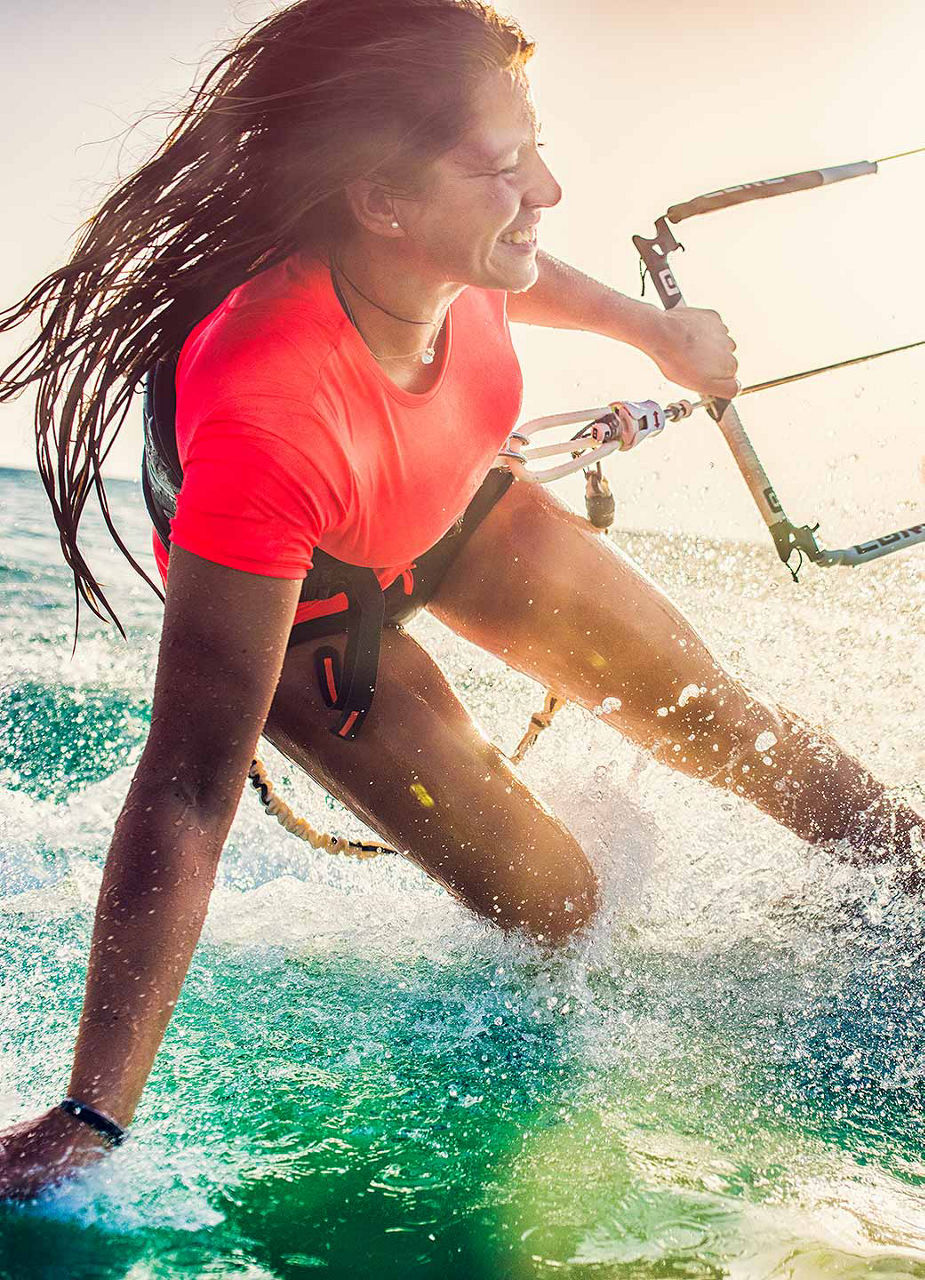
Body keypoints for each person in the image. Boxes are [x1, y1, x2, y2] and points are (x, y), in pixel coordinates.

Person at [0, 0, 920, 1201]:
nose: (545, 185)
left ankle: (913, 880)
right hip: (317, 615)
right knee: (561, 906)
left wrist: (654, 332)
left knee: (728, 724)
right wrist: (90, 1113)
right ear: (381, 202)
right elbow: (182, 788)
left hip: (454, 513)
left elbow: (521, 281)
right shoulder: (267, 413)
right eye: (502, 165)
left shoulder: (459, 253)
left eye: (533, 143)